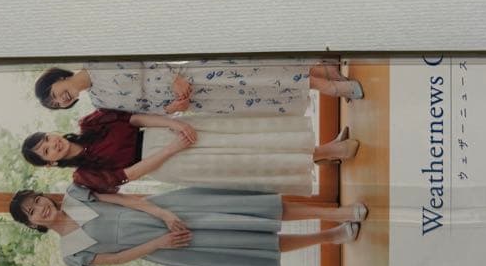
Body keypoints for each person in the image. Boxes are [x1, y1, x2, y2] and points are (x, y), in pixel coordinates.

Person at [10, 184, 364, 266]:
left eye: (37, 200)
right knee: (247, 243)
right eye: (32, 212)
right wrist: (161, 242)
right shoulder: (71, 256)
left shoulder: (76, 195)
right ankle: (331, 236)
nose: (40, 208)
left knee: (252, 211)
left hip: (171, 211)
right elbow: (116, 259)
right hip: (171, 245)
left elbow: (126, 199)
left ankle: (337, 213)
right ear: (33, 225)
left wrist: (163, 213)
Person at [21, 107, 358, 196]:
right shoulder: (84, 176)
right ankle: (327, 152)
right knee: (245, 161)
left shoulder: (89, 122)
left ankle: (324, 151)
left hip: (167, 132)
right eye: (46, 151)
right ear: (50, 163)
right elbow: (128, 175)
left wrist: (172, 123)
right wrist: (172, 148)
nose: (53, 145)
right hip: (167, 162)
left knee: (247, 137)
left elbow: (133, 119)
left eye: (47, 139)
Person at [34, 61, 363, 115]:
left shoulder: (96, 59)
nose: (60, 99)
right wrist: (172, 109)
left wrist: (173, 78)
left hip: (187, 72)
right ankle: (321, 73)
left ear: (56, 78)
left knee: (256, 76)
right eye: (56, 105)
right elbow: (143, 109)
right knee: (256, 94)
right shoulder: (99, 101)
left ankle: (331, 87)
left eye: (53, 94)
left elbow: (141, 54)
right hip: (191, 101)